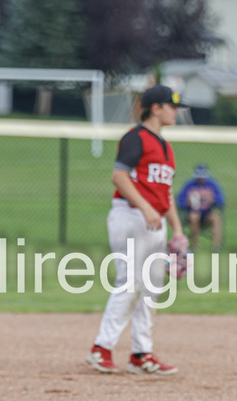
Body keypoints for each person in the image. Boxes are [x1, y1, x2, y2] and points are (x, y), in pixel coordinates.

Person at [87, 84, 188, 375]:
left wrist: (178, 230)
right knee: (130, 282)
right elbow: (119, 176)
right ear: (156, 108)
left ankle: (141, 354)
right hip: (130, 216)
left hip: (154, 220)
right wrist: (145, 207)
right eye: (172, 106)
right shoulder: (136, 138)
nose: (176, 112)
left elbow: (165, 194)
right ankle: (101, 348)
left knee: (151, 287)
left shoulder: (166, 147)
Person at [176, 163, 225, 251]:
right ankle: (195, 245)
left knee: (216, 217)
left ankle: (216, 246)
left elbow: (220, 200)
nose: (201, 179)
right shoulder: (189, 185)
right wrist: (187, 203)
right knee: (194, 216)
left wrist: (212, 200)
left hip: (207, 214)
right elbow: (180, 201)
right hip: (192, 214)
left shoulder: (212, 185)